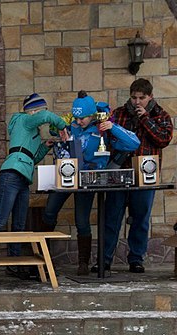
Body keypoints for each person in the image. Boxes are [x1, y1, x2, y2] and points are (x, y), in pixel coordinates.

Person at [42, 91, 140, 275]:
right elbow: (53, 128)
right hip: (65, 176)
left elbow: (133, 143)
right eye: (76, 118)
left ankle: (83, 263)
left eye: (83, 118)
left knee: (82, 221)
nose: (79, 121)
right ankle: (42, 259)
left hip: (88, 180)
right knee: (49, 213)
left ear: (92, 115)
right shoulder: (71, 126)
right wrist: (60, 130)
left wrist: (112, 127)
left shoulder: (102, 130)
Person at [0, 93, 68, 279]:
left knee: (19, 224)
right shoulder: (24, 120)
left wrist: (45, 146)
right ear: (34, 111)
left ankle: (14, 264)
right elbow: (46, 117)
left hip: (23, 177)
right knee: (1, 219)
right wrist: (62, 126)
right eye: (41, 111)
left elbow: (33, 158)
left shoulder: (31, 130)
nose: (43, 116)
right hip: (11, 174)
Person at [98, 78, 174, 273]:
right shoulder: (119, 114)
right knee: (112, 216)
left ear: (150, 97)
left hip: (145, 174)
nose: (137, 102)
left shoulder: (161, 115)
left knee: (140, 218)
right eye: (134, 98)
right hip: (120, 171)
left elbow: (163, 139)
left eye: (142, 98)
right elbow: (107, 139)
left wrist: (145, 118)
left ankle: (136, 259)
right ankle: (104, 259)